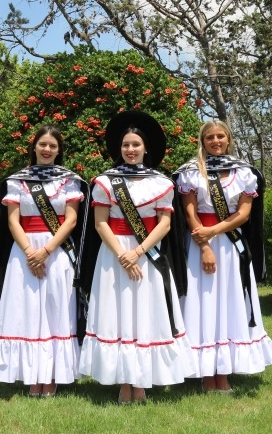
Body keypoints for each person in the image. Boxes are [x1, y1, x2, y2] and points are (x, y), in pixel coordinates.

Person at [78, 110, 195, 405]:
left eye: (136, 145)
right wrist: (122, 254)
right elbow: (100, 222)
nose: (131, 150)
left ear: (146, 148)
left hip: (148, 254)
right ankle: (123, 382)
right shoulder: (105, 182)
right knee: (116, 315)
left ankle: (141, 382)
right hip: (113, 256)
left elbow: (165, 224)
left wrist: (138, 252)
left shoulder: (161, 183)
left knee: (145, 313)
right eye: (126, 145)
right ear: (119, 149)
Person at [0, 126, 88, 398]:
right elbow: (12, 220)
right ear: (34, 147)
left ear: (59, 149)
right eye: (43, 144)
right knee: (25, 310)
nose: (47, 149)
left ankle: (51, 375)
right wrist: (30, 251)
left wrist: (46, 251)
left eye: (52, 145)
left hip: (57, 252)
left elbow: (72, 220)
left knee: (54, 311)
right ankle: (30, 374)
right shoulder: (18, 180)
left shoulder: (70, 181)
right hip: (23, 253)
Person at [173, 120, 272, 392]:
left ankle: (225, 369)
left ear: (229, 139)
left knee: (229, 301)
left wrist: (213, 230)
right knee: (203, 302)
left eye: (221, 136)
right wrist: (205, 243)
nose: (216, 141)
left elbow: (244, 214)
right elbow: (189, 213)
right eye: (210, 137)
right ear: (203, 141)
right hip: (199, 245)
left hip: (232, 246)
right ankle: (207, 373)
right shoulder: (190, 172)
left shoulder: (243, 172)